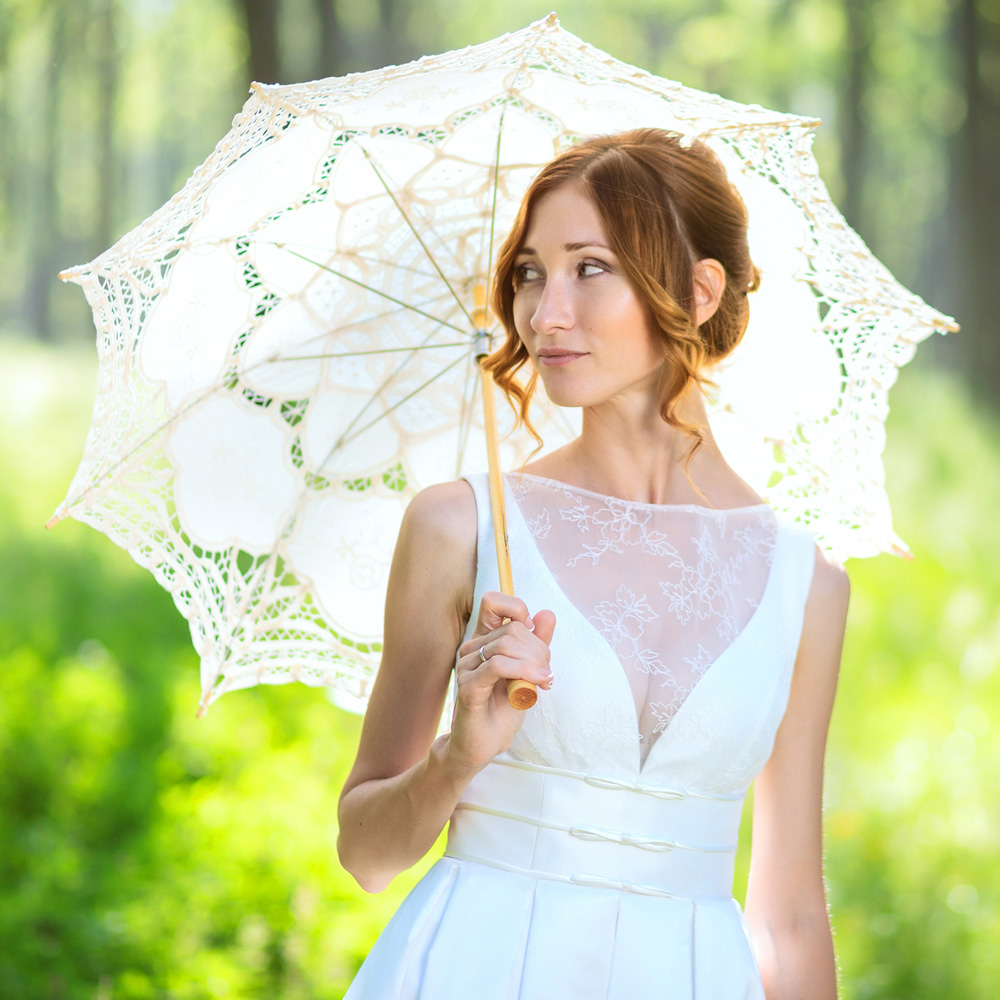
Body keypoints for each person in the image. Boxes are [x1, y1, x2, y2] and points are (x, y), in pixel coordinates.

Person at [337, 128, 849, 1000]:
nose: (543, 315)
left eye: (589, 267)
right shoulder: (461, 527)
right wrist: (457, 758)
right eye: (531, 272)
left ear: (697, 290)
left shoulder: (807, 584)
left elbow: (790, 913)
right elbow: (365, 852)